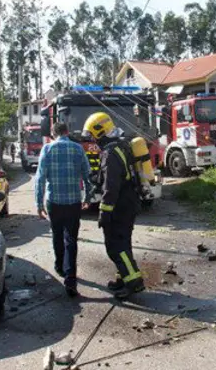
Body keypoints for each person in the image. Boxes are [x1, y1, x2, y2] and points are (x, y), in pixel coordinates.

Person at [82, 112, 145, 299]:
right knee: (124, 243)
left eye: (93, 135)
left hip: (119, 206)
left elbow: (111, 186)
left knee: (115, 246)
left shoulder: (110, 153)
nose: (92, 139)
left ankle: (134, 283)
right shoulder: (122, 145)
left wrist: (104, 211)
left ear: (100, 132)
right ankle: (123, 277)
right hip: (129, 202)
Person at [34, 121, 92, 297]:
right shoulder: (78, 148)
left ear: (53, 133)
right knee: (71, 239)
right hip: (73, 202)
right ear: (67, 132)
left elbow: (40, 179)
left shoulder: (47, 149)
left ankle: (60, 266)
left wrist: (38, 203)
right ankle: (71, 278)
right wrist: (87, 197)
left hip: (54, 202)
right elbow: (87, 175)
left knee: (57, 235)